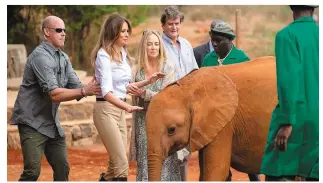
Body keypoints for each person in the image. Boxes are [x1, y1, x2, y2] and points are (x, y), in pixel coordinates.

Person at [9, 15, 101, 181]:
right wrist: (84, 91)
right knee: (32, 172)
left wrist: (101, 84)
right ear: (47, 32)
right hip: (32, 122)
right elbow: (54, 94)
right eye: (59, 30)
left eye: (64, 30)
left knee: (62, 168)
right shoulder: (40, 57)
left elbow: (77, 87)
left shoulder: (63, 58)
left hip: (51, 123)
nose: (63, 33)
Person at [90, 13, 164, 181]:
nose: (126, 34)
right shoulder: (103, 56)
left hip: (120, 110)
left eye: (127, 31)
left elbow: (125, 87)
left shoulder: (123, 53)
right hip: (106, 110)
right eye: (122, 31)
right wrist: (128, 107)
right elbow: (107, 92)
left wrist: (147, 81)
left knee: (114, 166)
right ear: (113, 32)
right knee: (121, 164)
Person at [260, 5, 319, 181]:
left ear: (292, 7)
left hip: (297, 117)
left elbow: (289, 80)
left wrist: (287, 121)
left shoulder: (286, 36)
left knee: (277, 171)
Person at [200, 20, 259, 181]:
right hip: (214, 119)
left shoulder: (241, 59)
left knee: (246, 156)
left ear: (229, 40)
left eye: (218, 41)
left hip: (239, 117)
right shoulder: (208, 59)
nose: (214, 44)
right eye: (212, 40)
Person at [128, 29, 180, 181]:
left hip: (164, 123)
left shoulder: (168, 67)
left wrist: (144, 93)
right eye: (149, 44)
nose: (153, 47)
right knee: (146, 161)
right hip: (142, 121)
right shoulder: (136, 70)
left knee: (166, 159)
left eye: (156, 44)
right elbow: (129, 88)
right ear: (144, 46)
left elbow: (168, 97)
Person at [160, 5, 199, 181]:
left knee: (184, 151)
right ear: (163, 25)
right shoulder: (158, 44)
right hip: (167, 103)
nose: (174, 27)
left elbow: (194, 72)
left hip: (186, 104)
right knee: (168, 149)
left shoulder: (186, 44)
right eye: (170, 24)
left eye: (176, 23)